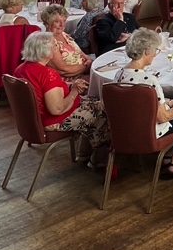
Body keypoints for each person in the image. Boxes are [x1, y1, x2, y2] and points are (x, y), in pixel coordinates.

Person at [114, 28, 173, 176]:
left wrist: (170, 102)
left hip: (124, 130)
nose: (155, 55)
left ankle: (168, 155)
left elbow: (139, 100)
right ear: (146, 51)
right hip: (148, 133)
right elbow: (163, 117)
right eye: (155, 51)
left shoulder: (119, 74)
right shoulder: (148, 80)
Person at [14, 31, 109, 160]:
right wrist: (75, 90)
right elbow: (57, 109)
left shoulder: (20, 69)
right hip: (52, 122)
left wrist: (71, 85)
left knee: (94, 101)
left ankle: (86, 153)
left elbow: (44, 91)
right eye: (54, 46)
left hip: (32, 121)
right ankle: (100, 158)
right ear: (44, 51)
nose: (57, 48)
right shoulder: (47, 74)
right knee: (105, 109)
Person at [40, 4, 91, 76]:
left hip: (83, 72)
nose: (62, 25)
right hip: (70, 81)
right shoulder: (48, 42)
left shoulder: (64, 35)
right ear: (47, 24)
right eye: (57, 21)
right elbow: (63, 70)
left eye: (64, 21)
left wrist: (89, 60)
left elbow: (82, 54)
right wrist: (86, 67)